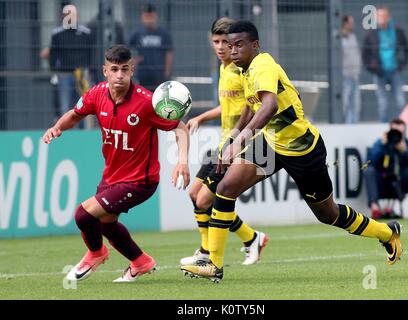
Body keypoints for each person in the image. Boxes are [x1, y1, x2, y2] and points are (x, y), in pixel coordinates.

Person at [181, 20, 402, 282]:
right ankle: (213, 264)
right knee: (226, 188)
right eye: (230, 45)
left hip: (303, 149)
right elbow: (251, 107)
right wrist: (232, 139)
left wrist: (241, 140)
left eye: (239, 44)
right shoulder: (244, 72)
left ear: (255, 45)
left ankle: (387, 233)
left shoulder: (263, 65)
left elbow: (269, 106)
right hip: (272, 143)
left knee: (327, 214)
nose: (233, 50)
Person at [42, 45, 190, 283]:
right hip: (112, 176)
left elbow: (180, 127)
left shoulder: (147, 102)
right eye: (114, 69)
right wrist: (57, 128)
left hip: (140, 180)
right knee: (106, 225)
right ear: (105, 71)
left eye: (124, 69)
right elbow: (75, 114)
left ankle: (96, 253)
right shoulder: (96, 94)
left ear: (132, 69)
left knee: (83, 215)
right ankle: (141, 262)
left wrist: (182, 161)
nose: (120, 75)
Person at [180, 18, 268, 267]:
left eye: (224, 43)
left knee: (206, 199)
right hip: (223, 144)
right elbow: (228, 105)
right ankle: (250, 238)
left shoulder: (242, 71)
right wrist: (202, 116)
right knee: (194, 194)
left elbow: (250, 106)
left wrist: (238, 137)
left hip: (239, 144)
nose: (220, 47)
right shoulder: (223, 68)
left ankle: (208, 253)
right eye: (215, 42)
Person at [362, 5, 408, 123]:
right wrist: (372, 68)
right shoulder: (371, 34)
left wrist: (401, 64)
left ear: (389, 17)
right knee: (382, 103)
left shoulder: (397, 31)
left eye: (384, 16)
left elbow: (407, 49)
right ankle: (383, 126)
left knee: (400, 101)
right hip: (379, 73)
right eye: (379, 16)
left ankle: (400, 127)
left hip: (394, 71)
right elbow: (365, 54)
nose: (382, 19)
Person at [47, 5, 93, 122]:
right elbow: (53, 53)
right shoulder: (57, 34)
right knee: (64, 106)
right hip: (64, 74)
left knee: (83, 106)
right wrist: (54, 70)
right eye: (67, 14)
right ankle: (66, 132)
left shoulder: (85, 33)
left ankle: (83, 134)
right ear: (63, 17)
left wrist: (89, 70)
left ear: (77, 16)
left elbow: (91, 52)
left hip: (82, 74)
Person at [129, 3, 173, 92]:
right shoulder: (137, 33)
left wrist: (167, 71)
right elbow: (126, 48)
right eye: (146, 17)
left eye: (151, 16)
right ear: (142, 17)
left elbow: (169, 53)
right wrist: (134, 60)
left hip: (159, 75)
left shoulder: (163, 34)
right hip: (142, 75)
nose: (149, 19)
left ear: (155, 16)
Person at [341, 15, 361, 124]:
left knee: (355, 104)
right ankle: (346, 124)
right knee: (345, 104)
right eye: (351, 23)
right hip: (345, 76)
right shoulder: (340, 39)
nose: (352, 25)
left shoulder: (353, 37)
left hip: (355, 75)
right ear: (345, 23)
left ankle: (354, 124)